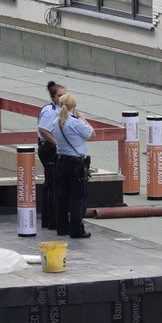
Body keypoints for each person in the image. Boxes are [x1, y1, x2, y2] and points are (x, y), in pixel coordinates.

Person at [47, 92, 94, 239]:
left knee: (62, 195)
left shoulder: (56, 122)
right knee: (77, 197)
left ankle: (62, 227)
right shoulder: (75, 122)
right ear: (74, 106)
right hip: (75, 162)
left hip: (61, 161)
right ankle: (76, 229)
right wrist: (83, 118)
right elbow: (90, 133)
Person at [36, 81, 65, 230]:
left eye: (65, 94)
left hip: (50, 148)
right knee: (52, 186)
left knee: (51, 184)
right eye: (60, 95)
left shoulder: (61, 109)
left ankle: (48, 220)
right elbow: (43, 129)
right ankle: (51, 220)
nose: (63, 97)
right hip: (48, 149)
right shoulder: (50, 110)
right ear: (53, 96)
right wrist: (56, 144)